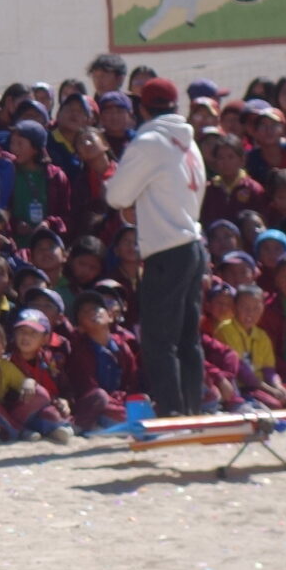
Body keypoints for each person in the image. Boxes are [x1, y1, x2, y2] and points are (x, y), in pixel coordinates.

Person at [104, 77, 205, 415]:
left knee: (159, 341)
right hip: (192, 243)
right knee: (188, 338)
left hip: (165, 249)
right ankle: (193, 410)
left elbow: (117, 196)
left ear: (142, 107)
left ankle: (172, 414)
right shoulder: (189, 143)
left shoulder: (149, 140)